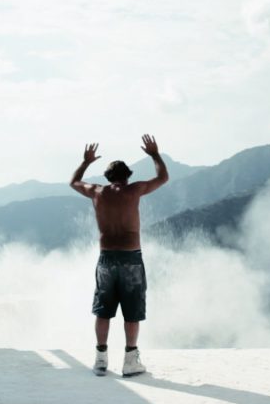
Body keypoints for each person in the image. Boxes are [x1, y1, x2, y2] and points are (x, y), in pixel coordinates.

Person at [69, 134, 169, 377]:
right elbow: (163, 177)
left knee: (103, 310)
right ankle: (130, 360)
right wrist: (155, 154)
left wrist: (85, 162)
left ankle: (100, 360)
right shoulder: (134, 190)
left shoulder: (96, 192)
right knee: (131, 310)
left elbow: (74, 182)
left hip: (106, 259)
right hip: (131, 258)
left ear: (108, 177)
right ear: (127, 176)